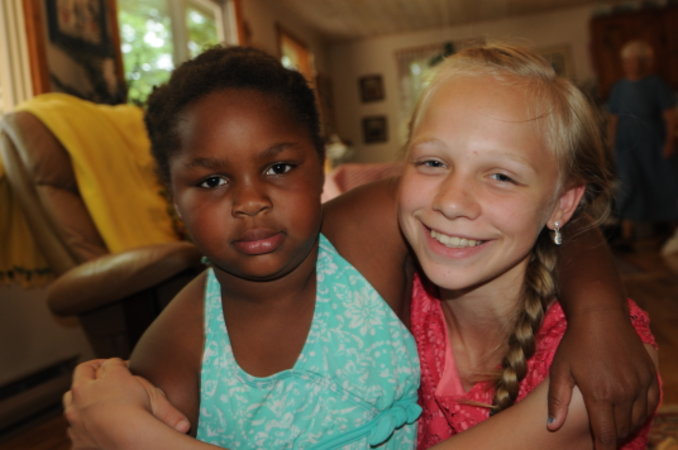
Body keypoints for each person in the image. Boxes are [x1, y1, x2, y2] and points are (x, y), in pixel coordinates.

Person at [63, 44, 659, 449]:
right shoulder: (183, 340)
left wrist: (600, 313)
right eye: (212, 180)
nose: (250, 202)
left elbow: (565, 215)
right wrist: (110, 410)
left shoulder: (366, 235)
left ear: (321, 164)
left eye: (278, 167)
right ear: (171, 197)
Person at [400, 44, 659, 449]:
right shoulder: (379, 300)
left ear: (562, 205)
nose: (451, 202)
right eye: (432, 162)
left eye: (501, 176)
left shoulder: (603, 360)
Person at [606, 39, 678, 249]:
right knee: (630, 186)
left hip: (654, 145)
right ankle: (626, 236)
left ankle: (673, 232)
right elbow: (613, 120)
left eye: (635, 60)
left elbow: (670, 116)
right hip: (627, 146)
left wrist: (669, 142)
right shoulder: (619, 87)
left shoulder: (656, 84)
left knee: (665, 185)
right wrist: (611, 145)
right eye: (627, 61)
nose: (630, 65)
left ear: (644, 62)